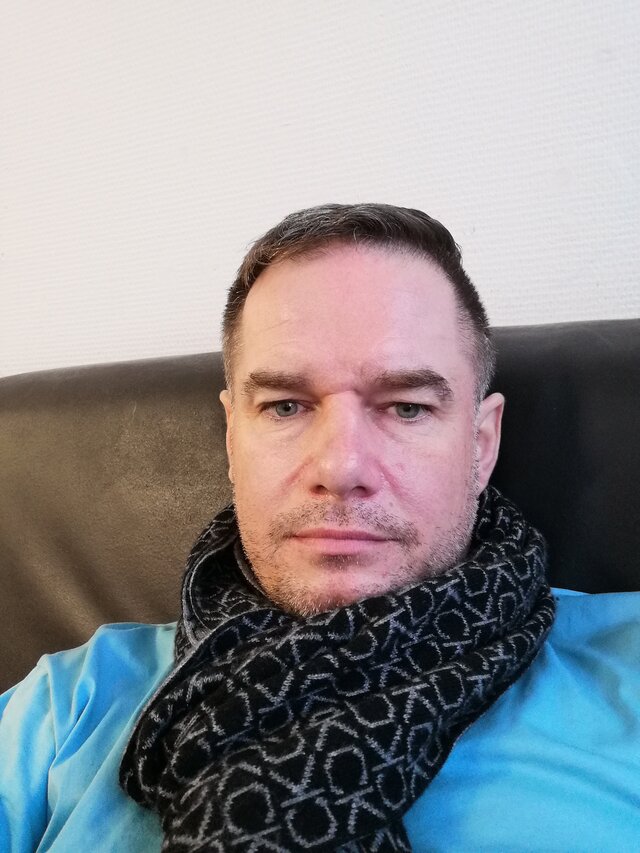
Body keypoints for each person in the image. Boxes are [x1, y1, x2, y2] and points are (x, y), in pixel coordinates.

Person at [1, 204, 639, 852]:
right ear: (232, 437)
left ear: (481, 443)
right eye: (285, 406)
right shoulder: (62, 710)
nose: (341, 468)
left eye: (407, 407)